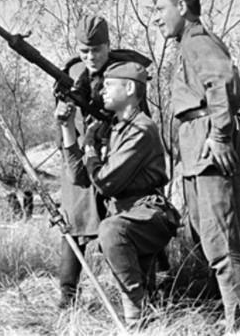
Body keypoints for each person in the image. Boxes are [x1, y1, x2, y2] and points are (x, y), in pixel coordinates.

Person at [152, 0, 240, 331]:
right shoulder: (188, 44)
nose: (156, 19)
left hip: (211, 143)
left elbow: (221, 82)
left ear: (182, 7)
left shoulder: (198, 41)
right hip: (197, 144)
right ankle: (230, 316)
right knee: (206, 239)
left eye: (161, 10)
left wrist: (220, 135)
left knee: (221, 243)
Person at [57, 61, 179, 325]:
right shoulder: (112, 127)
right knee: (147, 287)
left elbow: (105, 182)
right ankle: (146, 316)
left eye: (110, 85)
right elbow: (79, 177)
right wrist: (68, 128)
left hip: (147, 214)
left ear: (130, 88)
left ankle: (134, 319)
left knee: (111, 230)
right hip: (126, 213)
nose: (102, 91)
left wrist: (90, 148)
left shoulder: (141, 129)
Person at [53, 15, 152, 308]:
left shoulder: (126, 72)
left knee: (131, 220)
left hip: (119, 156)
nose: (90, 57)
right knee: (74, 219)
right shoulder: (71, 73)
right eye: (84, 51)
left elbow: (139, 119)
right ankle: (68, 295)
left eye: (96, 50)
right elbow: (62, 122)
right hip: (81, 153)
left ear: (108, 46)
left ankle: (145, 294)